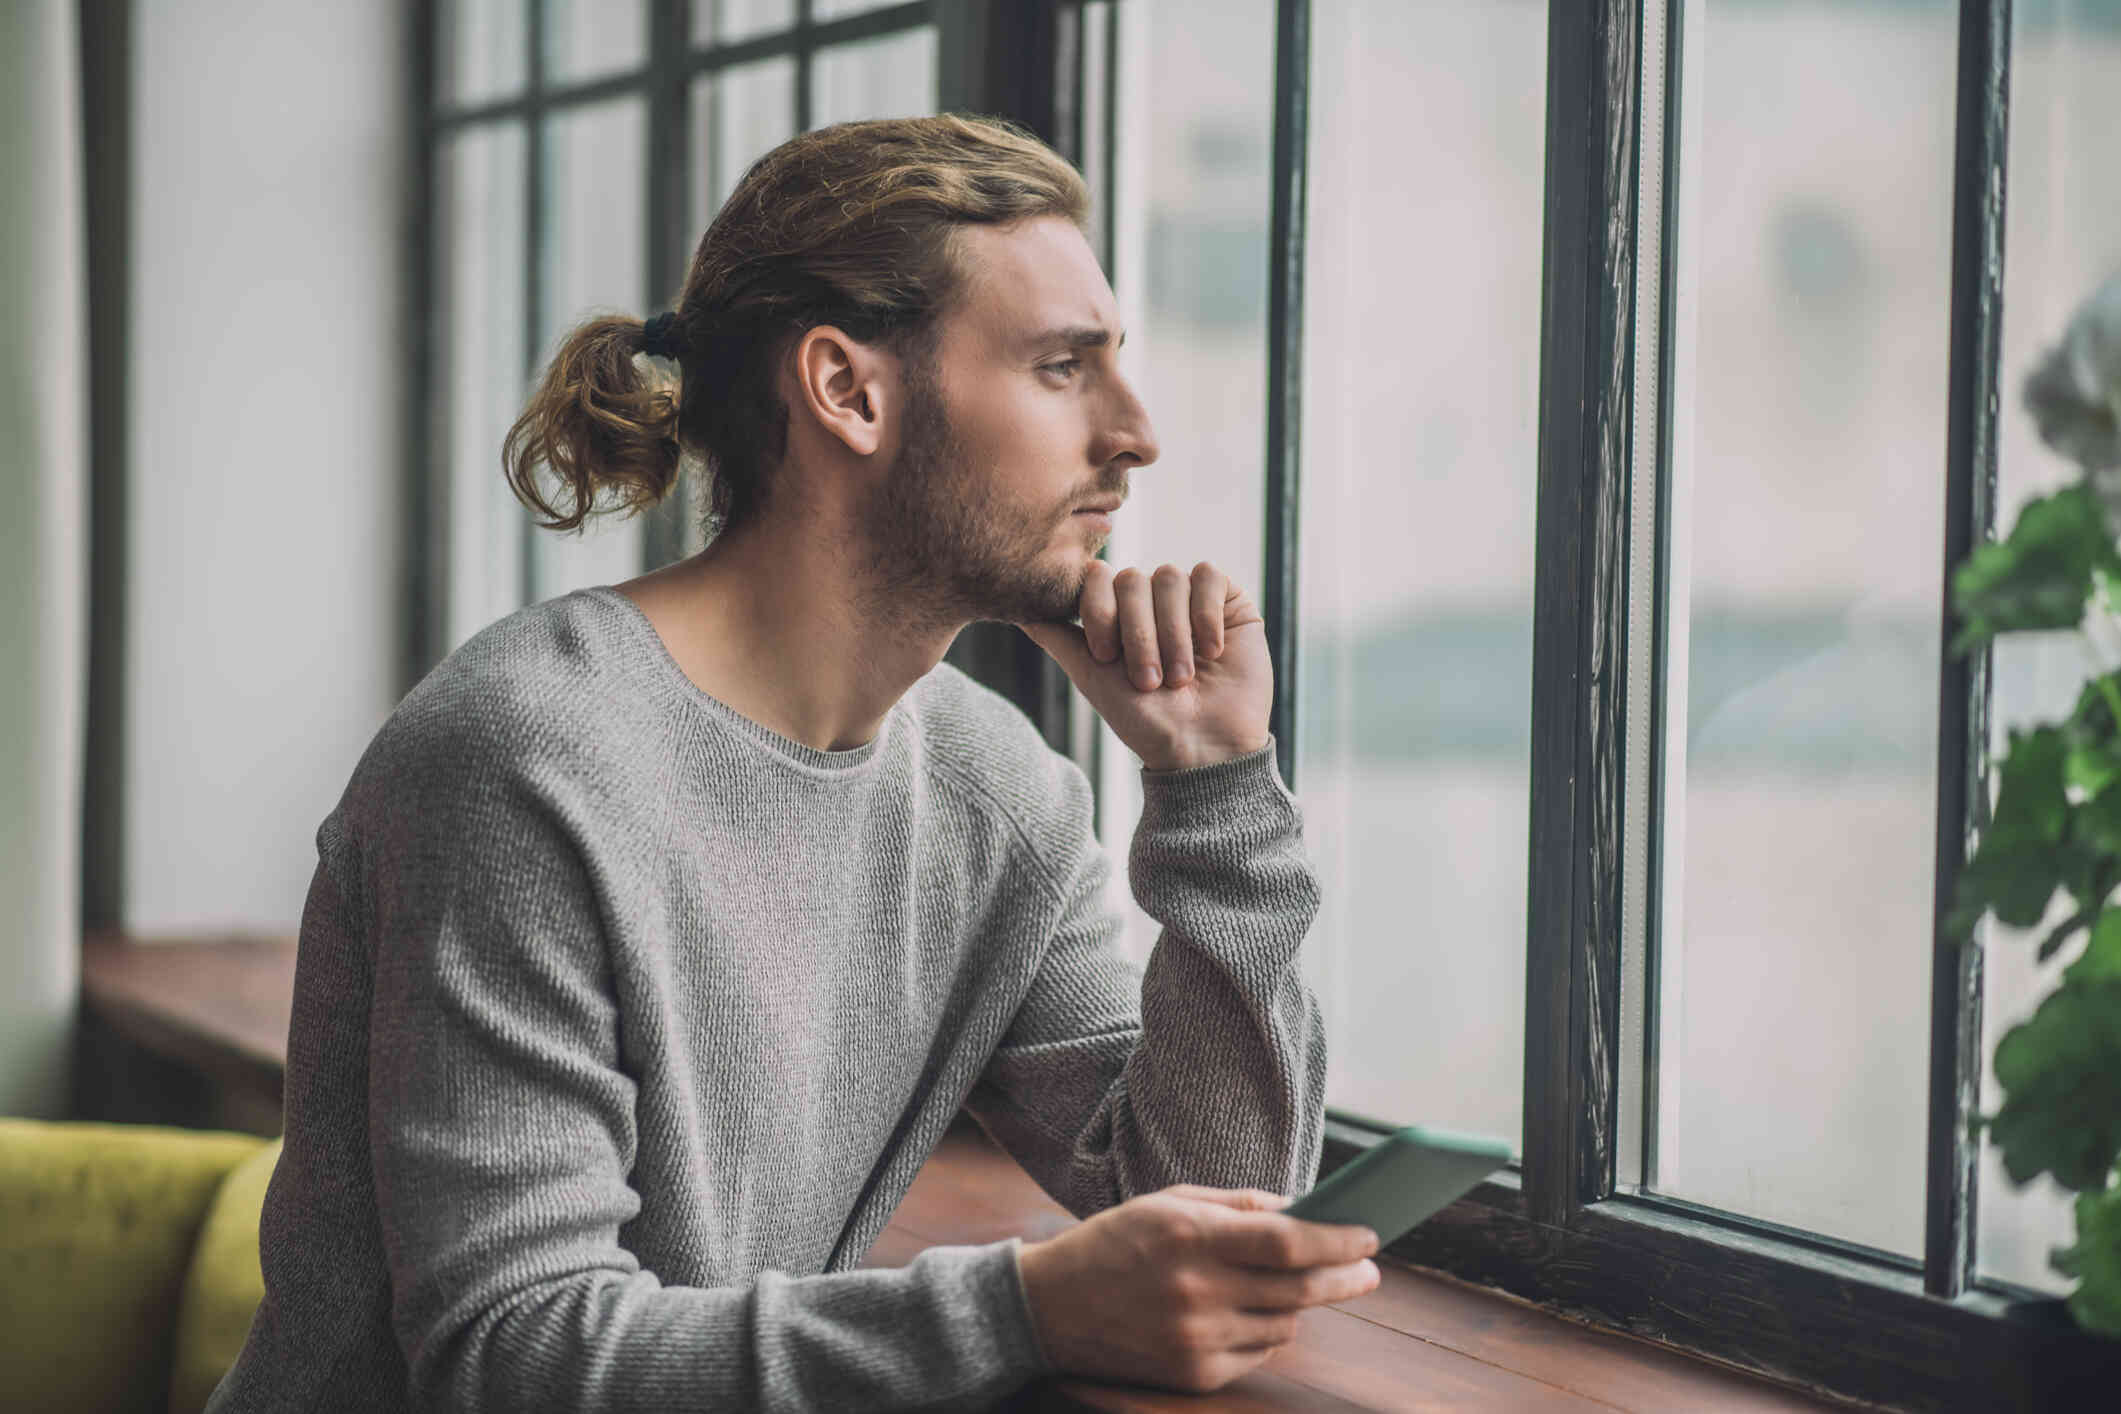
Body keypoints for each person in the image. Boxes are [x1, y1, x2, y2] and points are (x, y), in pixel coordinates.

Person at [207, 113, 1379, 1414]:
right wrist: (1023, 1309)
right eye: (1063, 367)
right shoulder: (522, 763)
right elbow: (511, 1355)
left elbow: (1209, 1205)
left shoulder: (994, 793)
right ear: (846, 390)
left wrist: (1215, 784)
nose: (1136, 432)